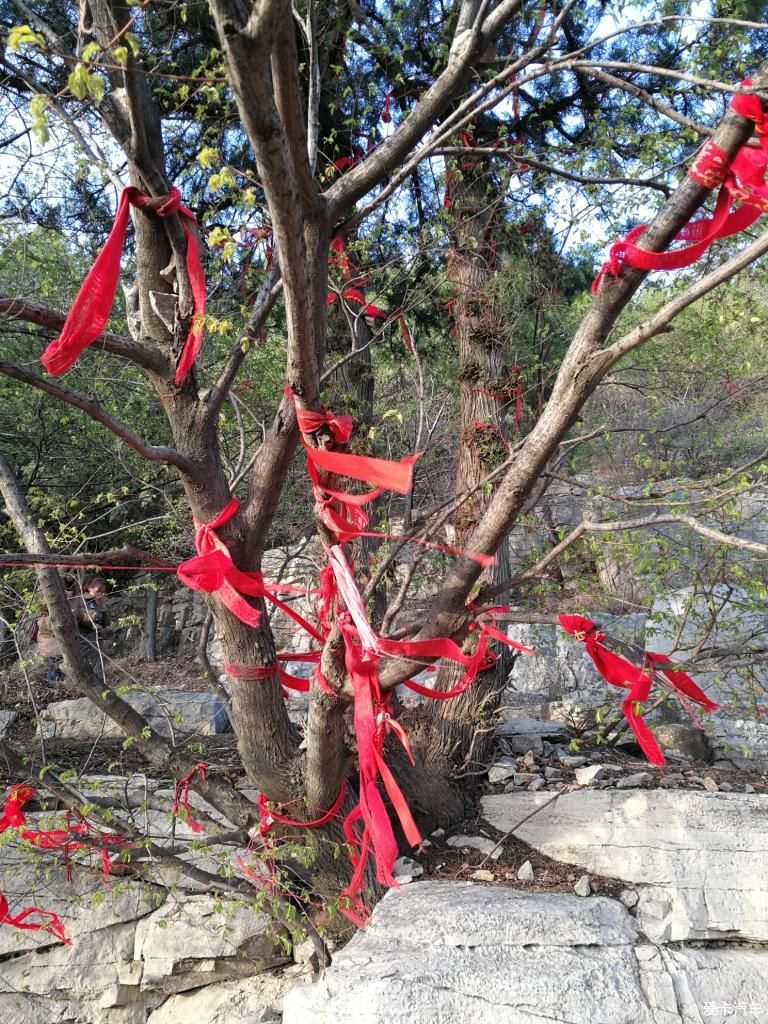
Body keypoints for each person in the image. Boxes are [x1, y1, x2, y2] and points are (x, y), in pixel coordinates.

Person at [34, 577, 110, 685]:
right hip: (53, 643)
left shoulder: (76, 596)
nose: (101, 593)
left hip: (69, 643)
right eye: (99, 590)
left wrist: (98, 610)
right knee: (55, 677)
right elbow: (48, 621)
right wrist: (76, 615)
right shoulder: (50, 595)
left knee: (64, 678)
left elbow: (90, 617)